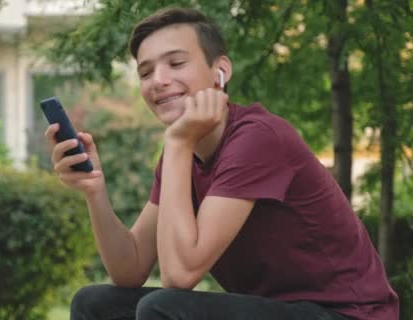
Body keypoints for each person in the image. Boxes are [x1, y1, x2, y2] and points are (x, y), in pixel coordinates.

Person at [44, 7, 399, 320]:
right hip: (273, 309)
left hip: (344, 314)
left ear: (220, 72)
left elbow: (179, 276)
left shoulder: (258, 138)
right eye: (146, 72)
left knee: (163, 308)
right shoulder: (181, 153)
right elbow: (131, 269)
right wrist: (95, 192)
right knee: (95, 304)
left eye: (176, 63)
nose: (159, 81)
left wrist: (179, 142)